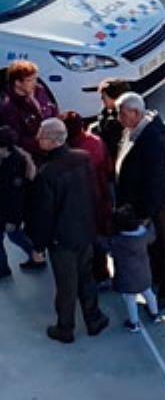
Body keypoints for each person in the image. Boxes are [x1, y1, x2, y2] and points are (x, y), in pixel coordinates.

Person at [28, 119, 107, 342]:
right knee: (86, 278)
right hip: (85, 231)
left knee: (66, 285)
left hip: (61, 240)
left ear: (53, 141)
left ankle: (65, 327)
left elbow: (43, 215)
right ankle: (94, 319)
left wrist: (38, 246)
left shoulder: (47, 174)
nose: (37, 139)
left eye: (41, 135)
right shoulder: (82, 158)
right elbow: (94, 194)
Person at [115, 92, 165, 307]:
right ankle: (155, 284)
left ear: (136, 113)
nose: (119, 119)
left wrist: (145, 213)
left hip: (153, 207)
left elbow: (156, 181)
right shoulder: (134, 131)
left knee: (161, 249)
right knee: (151, 251)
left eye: (122, 114)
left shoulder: (153, 141)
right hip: (140, 204)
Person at [62, 113, 112, 283]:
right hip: (101, 197)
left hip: (86, 202)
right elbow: (108, 167)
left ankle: (95, 275)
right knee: (99, 238)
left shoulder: (71, 152)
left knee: (91, 242)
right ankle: (102, 273)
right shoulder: (95, 142)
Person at [107, 205, 160, 332]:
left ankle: (134, 322)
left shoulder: (119, 241)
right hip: (144, 273)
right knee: (149, 293)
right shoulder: (143, 235)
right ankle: (155, 313)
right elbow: (152, 236)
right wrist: (150, 223)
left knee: (130, 299)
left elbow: (107, 247)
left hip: (127, 277)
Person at [0, 60, 58, 163]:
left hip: (53, 143)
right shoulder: (9, 107)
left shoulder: (39, 90)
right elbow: (18, 139)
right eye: (30, 80)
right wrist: (43, 144)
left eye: (35, 78)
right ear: (18, 83)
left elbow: (52, 109)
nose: (35, 83)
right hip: (34, 156)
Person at [0, 125, 38, 277]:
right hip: (3, 208)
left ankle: (36, 255)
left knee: (15, 235)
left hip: (8, 212)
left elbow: (16, 197)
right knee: (13, 237)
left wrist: (12, 219)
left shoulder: (15, 165)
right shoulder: (9, 159)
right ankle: (3, 268)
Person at [93, 78, 129, 163]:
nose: (102, 99)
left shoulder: (118, 121)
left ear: (115, 98)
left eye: (104, 96)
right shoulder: (108, 111)